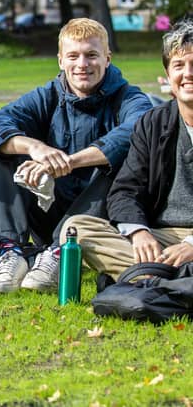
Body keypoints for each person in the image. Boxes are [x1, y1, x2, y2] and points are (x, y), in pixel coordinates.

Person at [0, 18, 153, 294]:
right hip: (50, 206)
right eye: (73, 56)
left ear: (107, 58)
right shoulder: (48, 95)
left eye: (91, 55)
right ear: (60, 60)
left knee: (123, 160)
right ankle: (11, 252)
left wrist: (70, 162)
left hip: (99, 220)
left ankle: (60, 253)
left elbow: (137, 131)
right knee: (7, 148)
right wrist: (36, 149)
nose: (82, 64)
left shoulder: (130, 98)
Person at [61, 18, 193, 281]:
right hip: (161, 236)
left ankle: (151, 280)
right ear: (168, 76)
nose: (188, 73)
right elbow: (125, 190)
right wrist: (139, 232)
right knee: (77, 228)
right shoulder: (154, 123)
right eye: (179, 65)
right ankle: (169, 279)